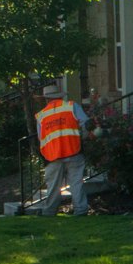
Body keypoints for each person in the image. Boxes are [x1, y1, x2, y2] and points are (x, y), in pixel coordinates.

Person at [34, 83, 89, 216]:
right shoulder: (71, 106)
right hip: (73, 151)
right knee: (76, 184)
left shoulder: (41, 116)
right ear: (59, 97)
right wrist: (84, 137)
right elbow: (86, 123)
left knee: (53, 187)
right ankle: (81, 211)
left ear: (46, 99)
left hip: (53, 156)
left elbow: (41, 138)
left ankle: (49, 212)